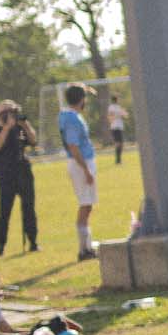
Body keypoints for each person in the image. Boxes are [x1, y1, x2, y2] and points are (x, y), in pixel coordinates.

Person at [0, 100, 39, 257]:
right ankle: (1, 246)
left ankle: (33, 242)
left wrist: (24, 124)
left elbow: (34, 140)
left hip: (23, 171)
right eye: (6, 113)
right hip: (6, 175)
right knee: (4, 212)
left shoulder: (20, 128)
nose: (10, 116)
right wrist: (6, 128)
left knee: (29, 208)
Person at [57, 85, 98, 259]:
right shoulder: (72, 119)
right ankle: (84, 249)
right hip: (80, 163)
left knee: (88, 205)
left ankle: (88, 245)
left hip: (81, 163)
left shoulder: (69, 116)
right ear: (81, 99)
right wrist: (86, 170)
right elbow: (73, 146)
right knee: (85, 204)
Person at [106, 97, 128, 164]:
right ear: (115, 100)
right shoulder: (111, 107)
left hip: (120, 127)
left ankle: (119, 160)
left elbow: (126, 116)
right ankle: (118, 161)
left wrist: (124, 113)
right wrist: (117, 115)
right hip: (114, 127)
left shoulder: (119, 107)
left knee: (121, 144)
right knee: (118, 144)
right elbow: (110, 118)